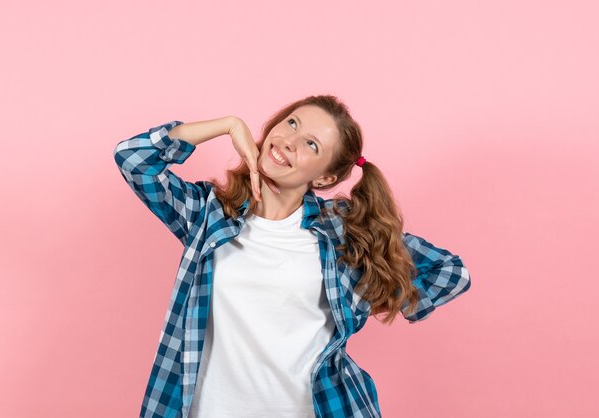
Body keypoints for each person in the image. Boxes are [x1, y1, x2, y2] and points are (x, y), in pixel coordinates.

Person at [113, 94, 471, 418]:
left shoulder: (343, 233)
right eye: (291, 123)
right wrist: (227, 124)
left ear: (326, 176)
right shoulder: (207, 214)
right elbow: (134, 159)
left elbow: (451, 272)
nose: (288, 141)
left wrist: (369, 298)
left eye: (311, 145)